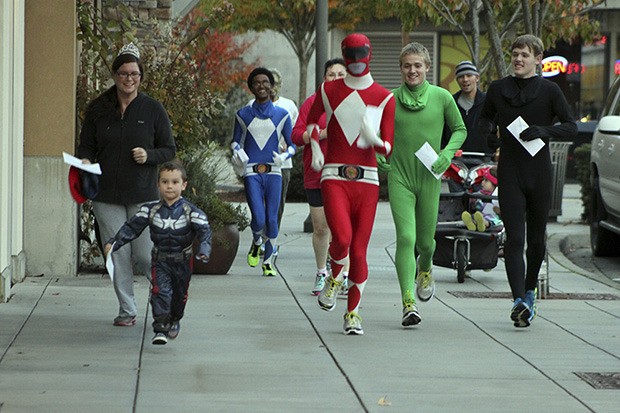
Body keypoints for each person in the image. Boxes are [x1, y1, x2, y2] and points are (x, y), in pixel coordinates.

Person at [478, 34, 577, 328]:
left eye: (524, 55)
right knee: (514, 237)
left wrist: (544, 132)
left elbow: (571, 127)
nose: (518, 59)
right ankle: (518, 299)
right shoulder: (498, 89)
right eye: (515, 54)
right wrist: (490, 135)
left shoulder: (549, 91)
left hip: (539, 173)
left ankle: (530, 291)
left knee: (535, 240)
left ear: (538, 59)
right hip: (510, 171)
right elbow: (485, 119)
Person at [77, 42, 176, 327]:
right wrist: (84, 160)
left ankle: (164, 303)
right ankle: (127, 310)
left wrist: (149, 156)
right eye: (123, 73)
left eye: (134, 74)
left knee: (146, 255)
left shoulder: (152, 109)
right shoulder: (98, 109)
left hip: (143, 193)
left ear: (140, 77)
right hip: (105, 194)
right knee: (117, 253)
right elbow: (86, 145)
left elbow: (168, 149)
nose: (128, 79)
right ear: (115, 75)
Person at [306, 33, 395, 335]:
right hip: (334, 175)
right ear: (344, 54)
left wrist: (376, 141)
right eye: (352, 55)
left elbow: (389, 146)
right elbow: (312, 121)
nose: (357, 61)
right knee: (341, 238)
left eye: (362, 54)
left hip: (367, 180)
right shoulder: (328, 89)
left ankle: (353, 312)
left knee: (358, 251)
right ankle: (334, 276)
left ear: (369, 54)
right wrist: (316, 146)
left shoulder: (384, 97)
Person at [377, 42, 466, 327]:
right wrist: (379, 154)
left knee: (426, 244)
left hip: (429, 177)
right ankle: (408, 302)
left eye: (418, 65)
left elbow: (460, 130)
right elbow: (377, 135)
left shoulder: (441, 97)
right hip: (400, 177)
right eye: (407, 65)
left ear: (428, 67)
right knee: (406, 238)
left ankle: (425, 268)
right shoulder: (389, 99)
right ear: (400, 69)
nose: (412, 70)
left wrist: (447, 154)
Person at [104, 162, 211, 345]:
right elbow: (132, 227)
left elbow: (204, 231)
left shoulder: (191, 212)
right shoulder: (150, 210)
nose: (170, 186)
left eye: (175, 182)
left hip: (183, 261)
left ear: (183, 185)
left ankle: (175, 319)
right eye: (165, 182)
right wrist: (115, 242)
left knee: (179, 296)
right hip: (160, 260)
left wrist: (204, 250)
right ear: (158, 185)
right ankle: (160, 328)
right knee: (160, 292)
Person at [291, 58, 349, 296]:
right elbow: (295, 135)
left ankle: (342, 274)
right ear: (324, 78)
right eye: (331, 74)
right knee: (321, 228)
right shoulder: (312, 103)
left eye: (340, 74)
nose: (336, 78)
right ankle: (321, 272)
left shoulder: (353, 102)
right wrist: (321, 134)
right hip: (317, 173)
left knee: (343, 230)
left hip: (346, 174)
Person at [231, 67, 295, 276]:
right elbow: (234, 141)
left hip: (274, 170)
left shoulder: (282, 115)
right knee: (258, 218)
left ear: (272, 86)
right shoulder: (243, 114)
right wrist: (238, 151)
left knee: (272, 218)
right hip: (252, 171)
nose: (262, 86)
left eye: (266, 82)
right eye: (257, 83)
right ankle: (257, 241)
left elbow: (293, 145)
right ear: (251, 88)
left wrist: (285, 156)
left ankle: (268, 261)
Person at [248, 68, 299, 233]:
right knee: (257, 203)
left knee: (276, 204)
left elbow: (296, 133)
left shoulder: (288, 106)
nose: (272, 87)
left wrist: (287, 146)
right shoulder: (250, 106)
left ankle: (269, 237)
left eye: (275, 83)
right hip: (256, 163)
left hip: (281, 164)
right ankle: (259, 235)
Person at [442, 60, 495, 159]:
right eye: (461, 76)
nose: (465, 79)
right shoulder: (450, 103)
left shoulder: (489, 102)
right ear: (457, 80)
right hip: (455, 162)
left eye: (469, 75)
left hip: (485, 161)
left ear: (477, 78)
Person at [461, 166, 502, 232]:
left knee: (492, 220)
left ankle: (483, 224)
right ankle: (473, 225)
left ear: (494, 183)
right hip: (479, 215)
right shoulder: (480, 193)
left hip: (492, 217)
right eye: (483, 179)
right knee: (474, 216)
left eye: (486, 180)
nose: (482, 182)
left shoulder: (497, 196)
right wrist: (472, 199)